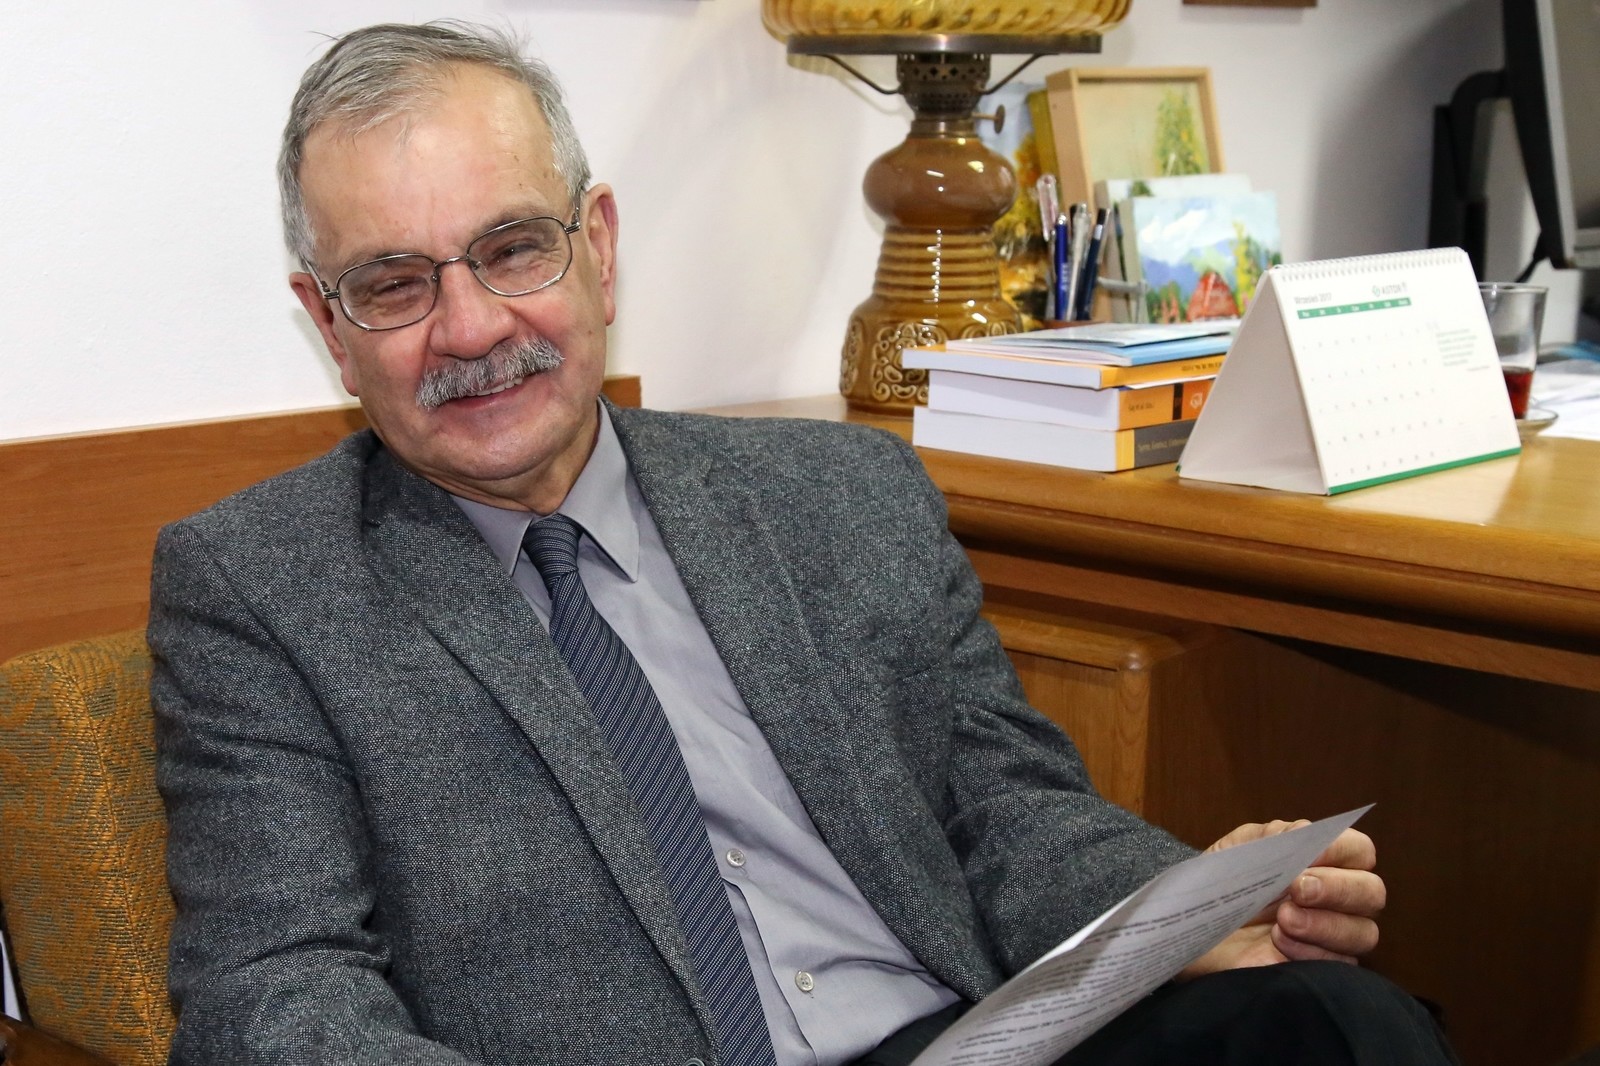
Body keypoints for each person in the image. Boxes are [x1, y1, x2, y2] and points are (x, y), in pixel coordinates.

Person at [148, 21, 1456, 1066]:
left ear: (598, 248)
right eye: (393, 284)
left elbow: (1006, 810)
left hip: (970, 1035)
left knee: (1337, 1022)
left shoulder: (841, 492)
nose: (474, 325)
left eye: (513, 248)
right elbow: (275, 994)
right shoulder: (260, 588)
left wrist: (1181, 905)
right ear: (331, 328)